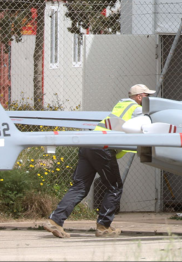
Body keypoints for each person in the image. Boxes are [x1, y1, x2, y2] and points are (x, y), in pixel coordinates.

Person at [42, 84, 156, 238]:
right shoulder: (136, 109)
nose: (150, 99)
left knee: (80, 186)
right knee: (115, 187)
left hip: (88, 144)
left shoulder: (121, 105)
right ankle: (103, 226)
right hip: (102, 148)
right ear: (139, 97)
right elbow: (152, 120)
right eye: (147, 96)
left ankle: (55, 221)